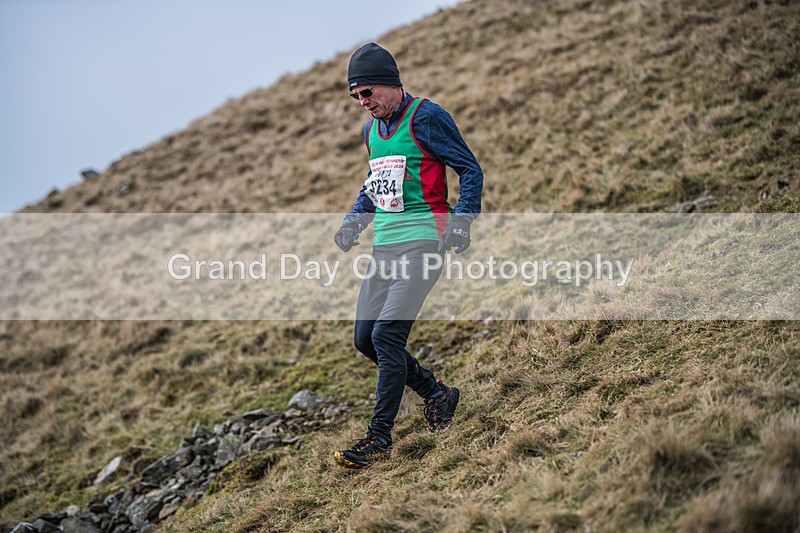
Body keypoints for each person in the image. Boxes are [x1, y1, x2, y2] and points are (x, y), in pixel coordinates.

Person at [333, 42, 484, 469]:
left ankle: (379, 438)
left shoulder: (428, 117)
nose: (364, 103)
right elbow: (375, 183)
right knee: (366, 339)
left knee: (387, 337)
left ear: (391, 83)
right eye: (357, 97)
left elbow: (469, 169)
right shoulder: (371, 132)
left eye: (368, 93)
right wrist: (353, 221)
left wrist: (462, 221)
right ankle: (437, 395)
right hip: (386, 248)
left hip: (424, 243)